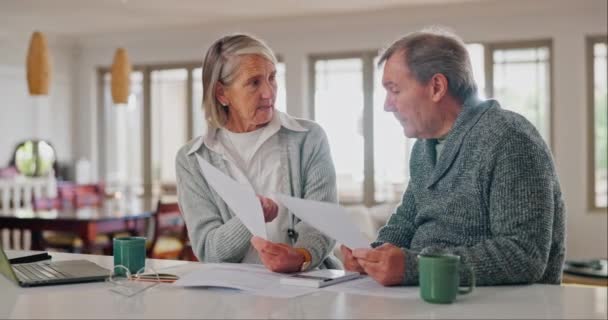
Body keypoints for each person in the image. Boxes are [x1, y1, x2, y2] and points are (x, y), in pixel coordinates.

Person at [341, 28, 565, 286]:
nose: (387, 105)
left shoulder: (508, 137)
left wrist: (417, 268)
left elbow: (524, 255)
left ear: (436, 87)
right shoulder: (424, 148)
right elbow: (407, 220)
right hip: (429, 299)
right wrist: (372, 255)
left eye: (395, 90)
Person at [176, 34, 340, 273]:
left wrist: (300, 256)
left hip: (308, 284)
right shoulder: (192, 160)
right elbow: (208, 249)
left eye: (272, 78)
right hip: (234, 299)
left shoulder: (309, 138)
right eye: (254, 82)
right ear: (222, 94)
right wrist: (250, 217)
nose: (268, 92)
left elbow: (323, 222)